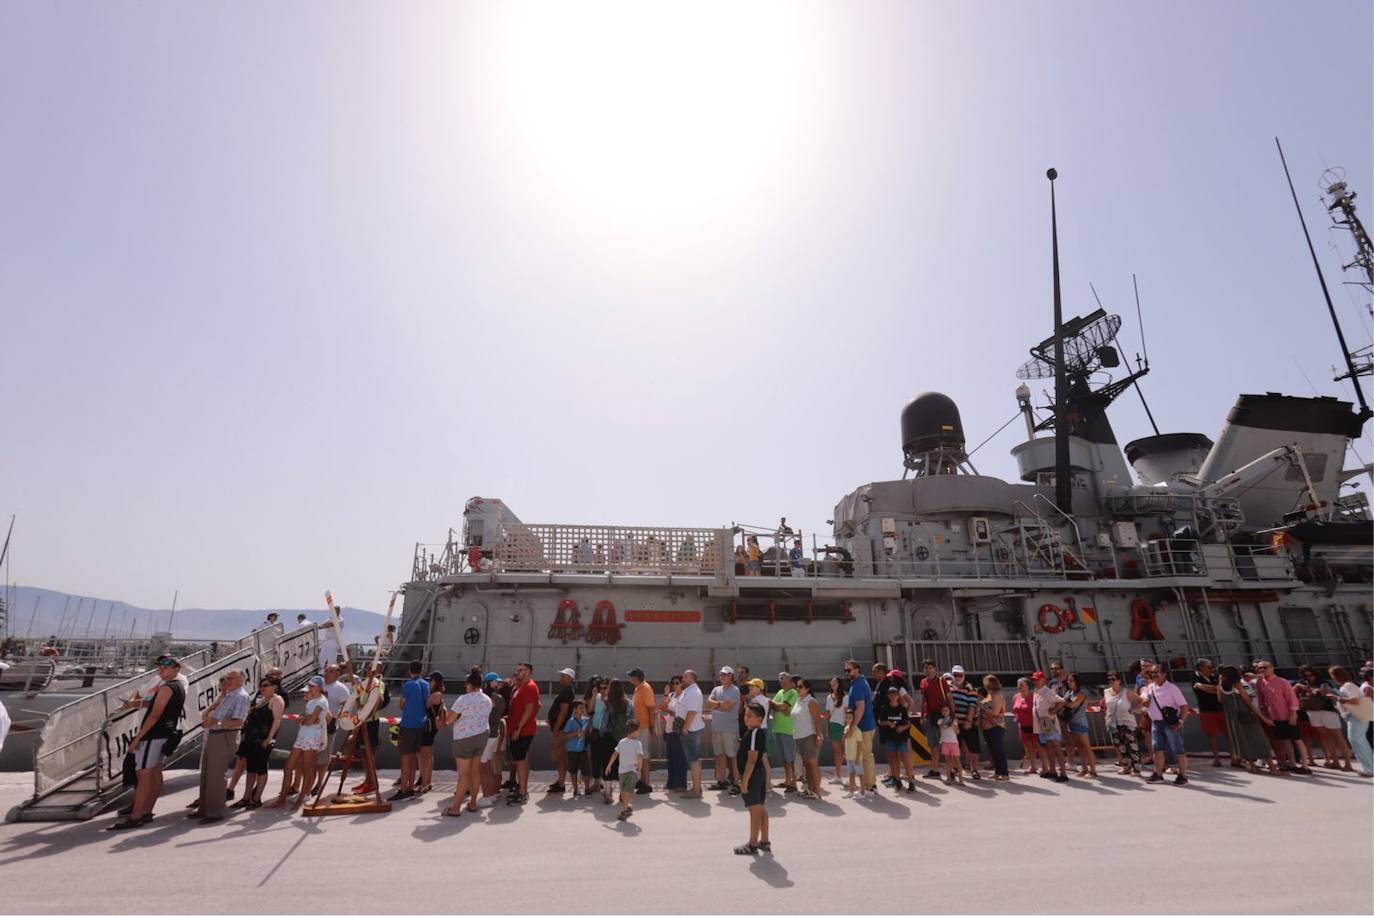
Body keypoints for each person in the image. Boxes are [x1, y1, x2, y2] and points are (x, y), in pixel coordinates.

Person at [109, 655, 186, 830]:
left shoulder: (167, 688)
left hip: (154, 735)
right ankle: (147, 812)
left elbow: (155, 715)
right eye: (160, 667)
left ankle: (136, 816)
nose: (161, 669)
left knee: (143, 775)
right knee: (154, 773)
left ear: (176, 669)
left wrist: (137, 738)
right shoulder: (178, 687)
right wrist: (140, 703)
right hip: (166, 733)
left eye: (166, 667)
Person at [191, 667, 248, 822]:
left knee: (216, 776)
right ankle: (204, 809)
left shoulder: (241, 696)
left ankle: (214, 812)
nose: (227, 681)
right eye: (227, 678)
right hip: (215, 734)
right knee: (207, 774)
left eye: (231, 678)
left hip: (224, 736)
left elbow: (239, 721)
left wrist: (217, 721)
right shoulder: (229, 695)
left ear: (242, 679)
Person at [268, 676, 328, 811]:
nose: (310, 688)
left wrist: (305, 719)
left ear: (319, 687)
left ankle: (301, 799)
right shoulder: (312, 701)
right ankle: (282, 799)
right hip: (302, 737)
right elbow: (304, 719)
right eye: (310, 686)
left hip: (312, 739)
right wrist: (306, 719)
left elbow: (309, 721)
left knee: (308, 768)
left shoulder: (321, 702)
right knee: (288, 767)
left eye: (312, 686)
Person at [233, 675, 284, 809]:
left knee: (261, 769)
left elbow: (277, 721)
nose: (262, 688)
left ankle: (256, 798)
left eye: (265, 685)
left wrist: (268, 739)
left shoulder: (277, 700)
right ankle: (246, 797)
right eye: (261, 686)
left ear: (274, 687)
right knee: (251, 769)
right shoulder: (262, 700)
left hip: (263, 739)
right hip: (251, 739)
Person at [1254, 660, 1313, 774]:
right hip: (1274, 716)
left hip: (1287, 714)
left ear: (1272, 668)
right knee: (1284, 740)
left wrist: (1293, 714)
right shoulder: (1260, 682)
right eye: (1259, 668)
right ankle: (1291, 763)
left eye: (1265, 667)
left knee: (1297, 740)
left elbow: (1292, 699)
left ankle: (1305, 765)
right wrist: (1265, 714)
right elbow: (1261, 699)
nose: (1262, 670)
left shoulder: (1282, 682)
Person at [1218, 665, 1277, 774]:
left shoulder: (1221, 684)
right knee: (1259, 738)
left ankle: (1251, 765)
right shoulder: (1237, 684)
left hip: (1232, 717)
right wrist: (1263, 717)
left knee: (1243, 740)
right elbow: (1248, 701)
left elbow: (1220, 700)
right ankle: (1272, 767)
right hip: (1245, 713)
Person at [1140, 665, 1191, 785]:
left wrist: (1181, 721)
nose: (1153, 675)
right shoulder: (1149, 688)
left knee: (1178, 750)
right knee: (1157, 749)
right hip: (1156, 723)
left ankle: (1183, 776)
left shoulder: (1172, 688)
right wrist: (1144, 703)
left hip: (1170, 724)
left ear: (1164, 674)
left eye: (1156, 672)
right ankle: (1158, 774)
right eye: (1152, 673)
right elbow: (1144, 703)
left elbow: (1184, 706)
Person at [1295, 666, 1353, 771]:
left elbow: (1332, 693)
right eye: (1306, 675)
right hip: (1312, 711)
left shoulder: (1324, 682)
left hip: (1327, 711)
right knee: (1325, 737)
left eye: (1311, 674)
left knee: (1338, 737)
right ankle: (1335, 761)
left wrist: (1317, 690)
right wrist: (1299, 686)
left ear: (1315, 673)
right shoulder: (1302, 683)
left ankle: (1348, 763)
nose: (1309, 677)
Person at [390, 659, 430, 801]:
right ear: (421, 670)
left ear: (409, 670)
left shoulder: (408, 685)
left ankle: (403, 789)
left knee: (405, 758)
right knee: (413, 757)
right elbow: (426, 703)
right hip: (420, 724)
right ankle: (411, 788)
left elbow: (402, 705)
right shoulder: (426, 684)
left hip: (408, 725)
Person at [735, 701, 771, 855]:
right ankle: (765, 840)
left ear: (759, 719)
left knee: (754, 809)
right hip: (759, 774)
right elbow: (763, 758)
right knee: (760, 807)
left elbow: (752, 758)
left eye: (750, 715)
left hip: (753, 775)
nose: (746, 718)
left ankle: (752, 844)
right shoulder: (754, 733)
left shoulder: (755, 733)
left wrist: (744, 781)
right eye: (745, 714)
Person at [1329, 665, 1374, 776]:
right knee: (1359, 741)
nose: (1332, 678)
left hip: (1356, 716)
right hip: (1356, 716)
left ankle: (1369, 768)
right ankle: (1369, 766)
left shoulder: (1348, 685)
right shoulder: (1347, 685)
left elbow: (1355, 700)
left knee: (1357, 741)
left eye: (1332, 676)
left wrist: (1337, 698)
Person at [506, 661, 540, 804]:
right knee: (522, 761)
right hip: (519, 729)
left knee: (520, 762)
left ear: (529, 672)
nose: (519, 672)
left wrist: (518, 728)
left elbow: (529, 709)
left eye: (522, 670)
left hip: (523, 731)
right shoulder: (521, 687)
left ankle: (522, 793)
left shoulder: (530, 687)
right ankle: (522, 790)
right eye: (518, 670)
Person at [843, 659, 877, 794]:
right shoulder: (858, 683)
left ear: (857, 669)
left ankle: (870, 786)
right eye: (845, 670)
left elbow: (860, 708)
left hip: (864, 726)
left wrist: (851, 727)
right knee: (864, 756)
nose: (846, 673)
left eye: (849, 670)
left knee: (866, 756)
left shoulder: (858, 685)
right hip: (864, 725)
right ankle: (868, 785)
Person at [707, 667, 741, 793]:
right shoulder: (716, 689)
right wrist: (720, 704)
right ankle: (721, 780)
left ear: (731, 676)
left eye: (725, 674)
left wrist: (717, 704)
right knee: (719, 756)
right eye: (721, 674)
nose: (722, 676)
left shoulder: (735, 690)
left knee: (732, 756)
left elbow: (728, 707)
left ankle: (736, 782)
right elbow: (709, 702)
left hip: (729, 729)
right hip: (717, 728)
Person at [876, 683, 915, 792]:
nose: (893, 696)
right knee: (894, 759)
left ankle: (911, 780)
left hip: (902, 737)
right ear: (888, 696)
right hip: (890, 737)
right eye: (891, 694)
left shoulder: (902, 709)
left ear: (898, 696)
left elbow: (908, 723)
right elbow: (880, 721)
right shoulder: (885, 708)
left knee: (905, 757)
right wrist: (888, 722)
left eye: (895, 694)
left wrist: (902, 728)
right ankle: (897, 779)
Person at [597, 679, 631, 805]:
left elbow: (604, 721)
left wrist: (601, 732)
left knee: (608, 764)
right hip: (623, 737)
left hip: (608, 736)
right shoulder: (627, 703)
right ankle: (622, 794)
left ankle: (607, 793)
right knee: (622, 765)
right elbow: (631, 719)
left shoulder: (607, 702)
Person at [1102, 671, 1142, 775]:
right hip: (1113, 722)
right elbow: (1106, 704)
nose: (1111, 682)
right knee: (1120, 746)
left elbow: (1140, 701)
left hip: (1127, 721)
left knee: (1132, 745)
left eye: (1113, 679)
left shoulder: (1127, 692)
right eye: (1109, 680)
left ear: (1119, 680)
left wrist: (1134, 710)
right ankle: (1126, 766)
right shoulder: (1106, 692)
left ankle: (1137, 768)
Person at [1031, 671, 1068, 782]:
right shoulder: (1037, 692)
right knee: (1048, 747)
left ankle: (1063, 773)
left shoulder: (1048, 692)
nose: (1035, 682)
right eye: (1034, 680)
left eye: (1037, 679)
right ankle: (1052, 770)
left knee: (1056, 747)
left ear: (1043, 680)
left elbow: (1061, 701)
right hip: (1041, 724)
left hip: (1049, 723)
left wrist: (1054, 710)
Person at [1191, 659, 1228, 767]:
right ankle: (1216, 759)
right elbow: (1208, 689)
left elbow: (1218, 689)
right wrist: (1215, 689)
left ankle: (1235, 758)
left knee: (1228, 734)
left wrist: (1209, 688)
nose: (1212, 669)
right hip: (1207, 710)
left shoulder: (1214, 676)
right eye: (1209, 667)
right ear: (1201, 667)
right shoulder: (1194, 677)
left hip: (1221, 709)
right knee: (1212, 735)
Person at [918, 659, 952, 779]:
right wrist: (922, 716)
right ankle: (934, 769)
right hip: (929, 716)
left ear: (935, 669)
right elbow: (923, 701)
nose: (928, 670)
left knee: (946, 743)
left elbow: (949, 698)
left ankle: (950, 769)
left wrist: (952, 715)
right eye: (926, 668)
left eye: (930, 667)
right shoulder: (923, 682)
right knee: (933, 745)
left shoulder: (942, 681)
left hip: (942, 716)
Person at [792, 677, 825, 798]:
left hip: (809, 736)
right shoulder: (799, 700)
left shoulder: (811, 701)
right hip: (799, 736)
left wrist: (818, 736)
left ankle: (816, 792)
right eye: (797, 686)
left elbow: (817, 721)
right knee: (807, 765)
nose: (798, 689)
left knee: (812, 763)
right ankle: (810, 789)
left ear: (807, 689)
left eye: (800, 687)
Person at [606, 720, 644, 821]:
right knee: (626, 791)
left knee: (625, 790)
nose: (639, 733)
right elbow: (640, 756)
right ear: (634, 731)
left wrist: (609, 765)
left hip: (623, 771)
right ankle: (626, 808)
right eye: (638, 731)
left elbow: (615, 754)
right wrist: (640, 767)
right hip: (630, 771)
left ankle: (625, 809)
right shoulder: (638, 743)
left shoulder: (622, 742)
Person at [478, 672, 507, 805]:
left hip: (486, 734)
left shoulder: (485, 698)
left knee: (482, 766)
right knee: (488, 764)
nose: (498, 684)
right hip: (494, 733)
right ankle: (492, 793)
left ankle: (487, 796)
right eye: (496, 682)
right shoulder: (499, 698)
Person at [547, 667, 577, 794]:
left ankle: (561, 783)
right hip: (561, 729)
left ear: (570, 679)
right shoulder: (567, 691)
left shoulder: (566, 693)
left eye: (564, 676)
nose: (561, 678)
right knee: (561, 758)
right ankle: (560, 781)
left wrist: (556, 729)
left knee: (561, 757)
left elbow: (563, 712)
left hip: (561, 731)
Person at [769, 672, 800, 793]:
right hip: (777, 728)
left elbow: (784, 708)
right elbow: (775, 706)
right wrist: (780, 707)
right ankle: (787, 780)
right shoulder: (780, 693)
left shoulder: (793, 693)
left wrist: (779, 707)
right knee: (783, 758)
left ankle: (793, 782)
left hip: (788, 730)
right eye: (779, 677)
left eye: (783, 677)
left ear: (789, 679)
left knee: (790, 758)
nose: (780, 679)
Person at [949, 665, 982, 780]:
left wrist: (969, 720)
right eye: (955, 675)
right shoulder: (948, 687)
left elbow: (972, 705)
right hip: (954, 723)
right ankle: (954, 769)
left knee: (973, 748)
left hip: (968, 723)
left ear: (964, 676)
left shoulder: (970, 688)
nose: (957, 677)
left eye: (960, 675)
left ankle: (974, 769)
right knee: (954, 747)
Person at [679, 669, 707, 798]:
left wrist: (685, 728)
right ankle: (697, 787)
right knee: (694, 760)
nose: (683, 678)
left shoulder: (693, 692)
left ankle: (695, 790)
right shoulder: (690, 691)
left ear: (692, 678)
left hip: (691, 730)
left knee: (694, 760)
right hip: (691, 729)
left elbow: (692, 712)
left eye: (685, 676)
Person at [1062, 673, 1096, 777]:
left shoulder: (1081, 693)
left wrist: (1062, 702)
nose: (1069, 682)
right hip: (1071, 722)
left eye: (1071, 680)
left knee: (1086, 746)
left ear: (1076, 681)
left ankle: (1093, 771)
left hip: (1080, 721)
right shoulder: (1069, 692)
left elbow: (1073, 704)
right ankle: (1085, 769)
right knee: (1079, 747)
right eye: (1068, 680)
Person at [628, 666, 656, 793]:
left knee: (644, 755)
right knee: (640, 754)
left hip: (644, 726)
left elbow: (651, 708)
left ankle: (646, 783)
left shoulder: (645, 688)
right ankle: (642, 780)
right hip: (639, 727)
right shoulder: (638, 688)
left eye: (631, 676)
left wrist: (652, 726)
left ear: (636, 678)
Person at [418, 672, 446, 794]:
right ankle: (427, 781)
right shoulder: (439, 694)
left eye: (430, 681)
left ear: (435, 682)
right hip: (431, 727)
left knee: (425, 756)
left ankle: (425, 783)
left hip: (428, 727)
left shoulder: (436, 694)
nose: (429, 683)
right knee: (428, 755)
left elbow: (425, 705)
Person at [980, 674, 1009, 780]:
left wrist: (983, 707)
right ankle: (998, 772)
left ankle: (1004, 773)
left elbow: (995, 712)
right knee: (993, 750)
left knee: (998, 750)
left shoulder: (996, 695)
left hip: (996, 726)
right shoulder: (991, 694)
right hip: (988, 726)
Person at [662, 676, 688, 791]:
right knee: (671, 758)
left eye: (677, 683)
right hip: (669, 729)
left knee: (680, 758)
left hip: (678, 730)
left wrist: (670, 712)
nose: (674, 685)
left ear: (682, 683)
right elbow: (663, 706)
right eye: (672, 683)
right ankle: (671, 782)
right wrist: (666, 694)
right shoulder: (672, 695)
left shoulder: (685, 696)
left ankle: (681, 783)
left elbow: (682, 713)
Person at [563, 699, 592, 796]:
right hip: (572, 750)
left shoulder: (586, 720)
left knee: (586, 770)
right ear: (575, 709)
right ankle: (576, 790)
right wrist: (576, 733)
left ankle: (587, 789)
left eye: (583, 707)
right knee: (573, 770)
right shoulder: (570, 721)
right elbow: (566, 736)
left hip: (582, 749)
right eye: (581, 708)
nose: (583, 709)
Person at [1012, 677, 1039, 774]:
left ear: (1028, 686)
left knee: (1040, 747)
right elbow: (1014, 710)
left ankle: (1046, 766)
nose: (1019, 686)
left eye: (1022, 684)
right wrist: (1016, 717)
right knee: (1028, 747)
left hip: (1035, 725)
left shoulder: (1034, 697)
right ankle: (1033, 767)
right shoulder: (1016, 697)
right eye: (1018, 684)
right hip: (1023, 726)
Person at [825, 676, 848, 785]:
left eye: (834, 683)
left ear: (839, 684)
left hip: (843, 726)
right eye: (831, 683)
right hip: (834, 726)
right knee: (837, 753)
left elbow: (848, 714)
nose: (832, 684)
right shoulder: (829, 697)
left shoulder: (845, 697)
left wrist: (848, 728)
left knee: (849, 753)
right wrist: (828, 728)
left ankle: (851, 776)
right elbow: (828, 714)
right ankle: (838, 776)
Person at [938, 704, 962, 785]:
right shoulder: (940, 721)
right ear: (941, 712)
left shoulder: (954, 720)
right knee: (947, 761)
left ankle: (961, 779)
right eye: (943, 710)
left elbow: (958, 732)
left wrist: (954, 726)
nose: (945, 712)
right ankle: (948, 778)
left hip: (954, 742)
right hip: (945, 742)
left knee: (957, 760)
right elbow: (941, 730)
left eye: (946, 710)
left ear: (949, 711)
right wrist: (945, 725)